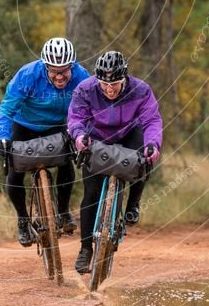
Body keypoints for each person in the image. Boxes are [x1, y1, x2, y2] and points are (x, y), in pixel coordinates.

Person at [67, 50, 163, 274]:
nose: (109, 89)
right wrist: (80, 137)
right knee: (90, 194)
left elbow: (152, 120)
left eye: (115, 84)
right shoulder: (85, 89)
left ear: (124, 79)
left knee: (144, 157)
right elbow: (75, 118)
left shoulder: (141, 90)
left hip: (129, 133)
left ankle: (133, 204)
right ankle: (85, 249)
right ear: (97, 80)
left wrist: (153, 144)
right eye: (104, 85)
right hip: (97, 136)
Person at [0, 37, 89, 246]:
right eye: (54, 71)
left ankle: (63, 211)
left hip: (58, 125)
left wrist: (85, 133)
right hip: (24, 125)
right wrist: (3, 137)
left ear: (72, 66)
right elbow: (6, 109)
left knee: (66, 162)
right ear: (45, 66)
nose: (59, 76)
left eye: (64, 71)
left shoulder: (82, 76)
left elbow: (89, 108)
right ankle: (23, 220)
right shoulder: (27, 75)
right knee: (15, 171)